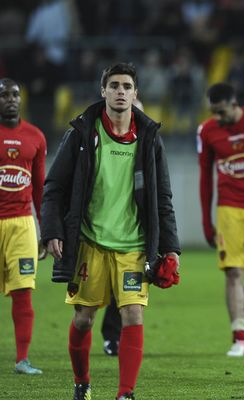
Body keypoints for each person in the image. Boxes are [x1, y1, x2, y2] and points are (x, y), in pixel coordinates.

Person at [41, 62, 180, 400]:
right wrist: (52, 231)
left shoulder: (148, 138)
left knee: (132, 314)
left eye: (127, 86)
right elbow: (55, 187)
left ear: (136, 94)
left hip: (133, 246)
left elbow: (162, 196)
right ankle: (82, 382)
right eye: (114, 85)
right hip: (90, 243)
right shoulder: (82, 133)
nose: (120, 91)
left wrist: (171, 248)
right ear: (103, 91)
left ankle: (125, 393)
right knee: (84, 319)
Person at [197, 82, 244, 357]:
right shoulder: (206, 131)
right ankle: (240, 336)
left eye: (221, 112)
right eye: (213, 112)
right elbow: (205, 177)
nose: (217, 118)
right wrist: (207, 220)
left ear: (234, 103)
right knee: (233, 272)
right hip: (228, 210)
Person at [0, 78, 46, 375]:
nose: (10, 99)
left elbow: (41, 187)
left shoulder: (36, 137)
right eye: (4, 95)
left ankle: (22, 359)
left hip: (22, 226)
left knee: (23, 291)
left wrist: (46, 230)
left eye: (15, 94)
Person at [101, 98, 145, 358]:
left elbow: (159, 195)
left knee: (130, 299)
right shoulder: (101, 144)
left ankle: (114, 338)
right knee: (90, 305)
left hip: (133, 234)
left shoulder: (148, 146)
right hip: (99, 231)